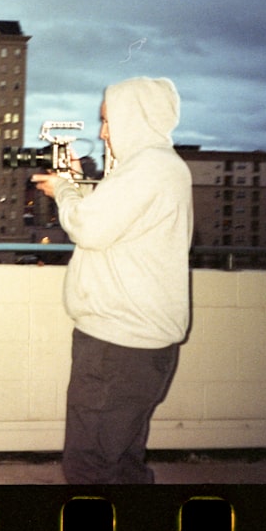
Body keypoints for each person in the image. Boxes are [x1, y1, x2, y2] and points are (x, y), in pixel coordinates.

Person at [33, 77, 192, 484]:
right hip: (134, 342)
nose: (103, 131)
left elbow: (87, 229)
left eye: (108, 120)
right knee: (120, 458)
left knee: (91, 465)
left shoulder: (149, 168)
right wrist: (76, 184)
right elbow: (112, 227)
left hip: (117, 344)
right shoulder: (158, 167)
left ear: (134, 116)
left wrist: (64, 191)